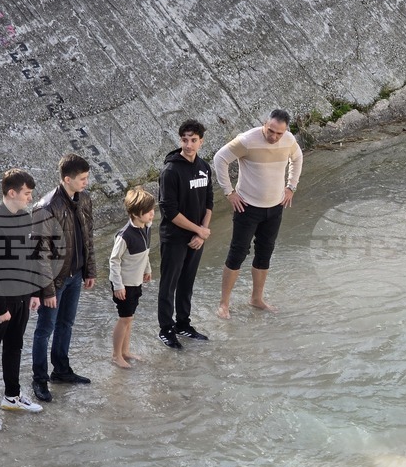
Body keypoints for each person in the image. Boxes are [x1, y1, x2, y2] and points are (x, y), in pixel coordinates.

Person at [0, 169, 47, 430]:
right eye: (27, 193)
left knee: (14, 347)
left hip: (22, 297)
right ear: (12, 193)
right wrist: (1, 308)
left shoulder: (26, 219)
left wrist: (35, 292)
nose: (29, 198)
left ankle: (12, 397)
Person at [213, 109, 303, 319]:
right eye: (270, 131)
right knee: (238, 253)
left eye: (278, 133)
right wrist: (229, 193)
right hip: (247, 207)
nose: (273, 136)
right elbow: (220, 159)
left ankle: (257, 299)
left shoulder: (289, 140)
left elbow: (297, 159)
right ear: (264, 124)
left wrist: (291, 187)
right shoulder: (246, 140)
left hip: (275, 207)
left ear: (286, 130)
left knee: (265, 253)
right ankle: (224, 304)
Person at [30, 154, 96, 402]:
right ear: (67, 179)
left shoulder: (85, 199)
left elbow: (88, 237)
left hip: (76, 275)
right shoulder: (46, 207)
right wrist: (46, 291)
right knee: (44, 330)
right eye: (82, 179)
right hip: (54, 282)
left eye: (87, 178)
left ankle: (61, 370)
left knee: (66, 325)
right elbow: (39, 254)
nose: (86, 183)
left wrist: (89, 271)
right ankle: (39, 379)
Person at [156, 119, 213, 349]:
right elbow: (170, 211)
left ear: (201, 141)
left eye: (193, 140)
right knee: (169, 284)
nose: (188, 145)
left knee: (187, 282)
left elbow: (209, 201)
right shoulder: (170, 171)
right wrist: (198, 229)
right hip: (174, 238)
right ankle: (166, 328)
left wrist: (202, 233)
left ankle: (183, 324)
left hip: (197, 238)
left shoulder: (204, 167)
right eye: (184, 140)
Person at [110, 187, 155, 367]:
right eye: (149, 211)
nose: (153, 213)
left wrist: (148, 269)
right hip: (124, 284)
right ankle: (116, 355)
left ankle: (125, 351)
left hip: (136, 281)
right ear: (136, 214)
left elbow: (145, 253)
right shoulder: (124, 235)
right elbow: (114, 261)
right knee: (125, 318)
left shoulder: (146, 227)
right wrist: (118, 286)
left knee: (130, 318)